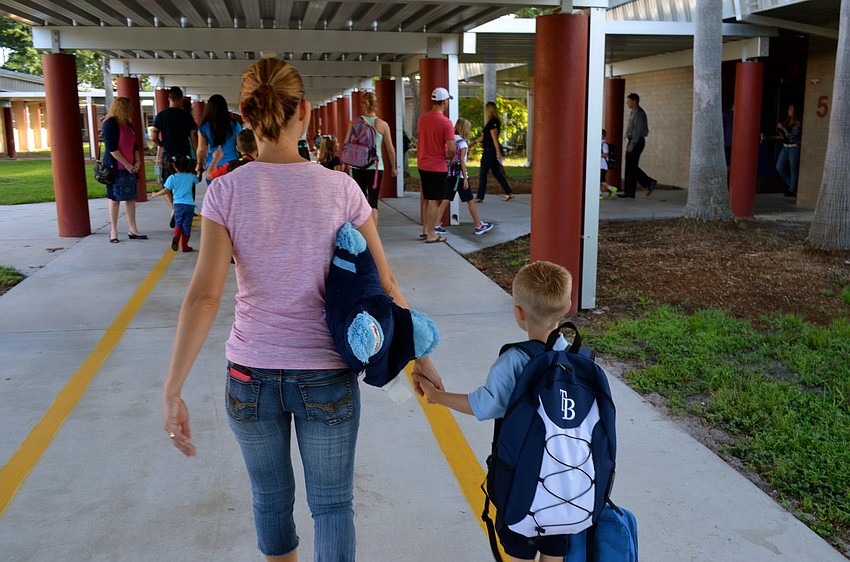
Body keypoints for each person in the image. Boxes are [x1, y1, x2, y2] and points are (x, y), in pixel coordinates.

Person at [161, 57, 443, 562]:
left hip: (249, 375)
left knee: (269, 498)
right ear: (305, 112)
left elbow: (204, 296)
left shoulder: (224, 191)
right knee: (332, 507)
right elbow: (385, 282)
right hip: (326, 374)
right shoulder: (342, 189)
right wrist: (419, 357)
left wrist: (172, 389)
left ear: (245, 114)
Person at [414, 260, 573, 562]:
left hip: (522, 486)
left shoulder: (513, 362)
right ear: (566, 307)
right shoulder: (575, 360)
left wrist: (437, 396)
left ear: (519, 313)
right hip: (565, 486)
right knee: (554, 555)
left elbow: (483, 405)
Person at [344, 91, 397, 227]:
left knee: (361, 201)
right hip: (375, 167)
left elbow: (346, 144)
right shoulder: (382, 124)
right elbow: (390, 149)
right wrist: (393, 168)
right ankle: (374, 235)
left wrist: (346, 163)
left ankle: (363, 233)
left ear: (363, 104)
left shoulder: (354, 122)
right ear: (376, 104)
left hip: (357, 166)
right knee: (373, 203)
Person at [436, 118, 493, 235]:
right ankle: (478, 225)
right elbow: (461, 161)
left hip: (449, 174)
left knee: (445, 199)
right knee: (470, 200)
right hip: (459, 177)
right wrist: (465, 179)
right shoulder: (462, 143)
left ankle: (436, 224)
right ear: (465, 129)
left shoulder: (450, 140)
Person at [101, 96, 145, 243]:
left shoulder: (128, 124)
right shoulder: (110, 124)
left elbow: (135, 146)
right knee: (115, 199)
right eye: (129, 107)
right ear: (122, 108)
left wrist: (137, 161)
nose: (132, 110)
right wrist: (126, 164)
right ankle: (113, 231)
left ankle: (133, 229)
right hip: (117, 167)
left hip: (131, 167)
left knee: (131, 198)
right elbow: (112, 148)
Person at [152, 87, 198, 227]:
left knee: (167, 184)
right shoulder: (186, 117)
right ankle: (185, 211)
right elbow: (193, 137)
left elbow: (153, 137)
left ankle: (174, 208)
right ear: (180, 99)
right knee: (188, 184)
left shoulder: (161, 116)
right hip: (185, 156)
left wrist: (162, 144)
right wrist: (197, 156)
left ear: (169, 99)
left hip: (168, 155)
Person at [417, 87, 456, 244]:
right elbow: (452, 147)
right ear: (444, 101)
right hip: (437, 165)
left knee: (426, 198)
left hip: (422, 164)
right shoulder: (446, 122)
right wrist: (451, 158)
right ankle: (432, 233)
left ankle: (425, 229)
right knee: (434, 200)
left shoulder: (422, 119)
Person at [149, 154, 199, 252]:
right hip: (189, 205)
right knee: (187, 225)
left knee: (178, 223)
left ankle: (176, 236)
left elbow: (166, 190)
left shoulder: (172, 177)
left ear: (174, 166)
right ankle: (185, 245)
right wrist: (199, 172)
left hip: (178, 205)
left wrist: (155, 194)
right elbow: (198, 180)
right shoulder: (191, 176)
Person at [473, 101, 514, 202]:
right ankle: (509, 192)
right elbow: (485, 137)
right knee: (496, 173)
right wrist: (473, 142)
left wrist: (498, 152)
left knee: (483, 173)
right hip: (490, 150)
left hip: (490, 151)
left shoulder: (493, 122)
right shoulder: (491, 122)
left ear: (489, 110)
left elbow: (494, 138)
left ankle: (479, 197)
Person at [195, 94, 243, 180]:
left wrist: (199, 165)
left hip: (212, 165)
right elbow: (241, 145)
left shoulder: (204, 127)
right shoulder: (235, 124)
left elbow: (201, 149)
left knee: (214, 188)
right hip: (231, 165)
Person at [620, 92, 657, 198]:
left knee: (632, 166)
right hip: (632, 140)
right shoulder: (633, 112)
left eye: (629, 101)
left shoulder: (639, 113)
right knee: (629, 167)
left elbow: (637, 130)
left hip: (636, 141)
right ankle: (629, 192)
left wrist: (632, 144)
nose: (627, 103)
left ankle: (649, 182)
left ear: (634, 101)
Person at [776, 103, 801, 197]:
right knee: (779, 167)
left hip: (794, 147)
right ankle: (791, 184)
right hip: (785, 146)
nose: (788, 110)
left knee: (793, 168)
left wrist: (783, 128)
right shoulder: (787, 120)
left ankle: (791, 190)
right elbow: (785, 136)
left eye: (790, 109)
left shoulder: (797, 123)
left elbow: (792, 136)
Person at [600, 128, 618, 198]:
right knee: (601, 179)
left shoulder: (604, 144)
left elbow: (605, 154)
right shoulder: (601, 143)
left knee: (601, 179)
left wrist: (597, 154)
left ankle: (612, 188)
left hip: (603, 165)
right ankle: (600, 194)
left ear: (602, 135)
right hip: (601, 165)